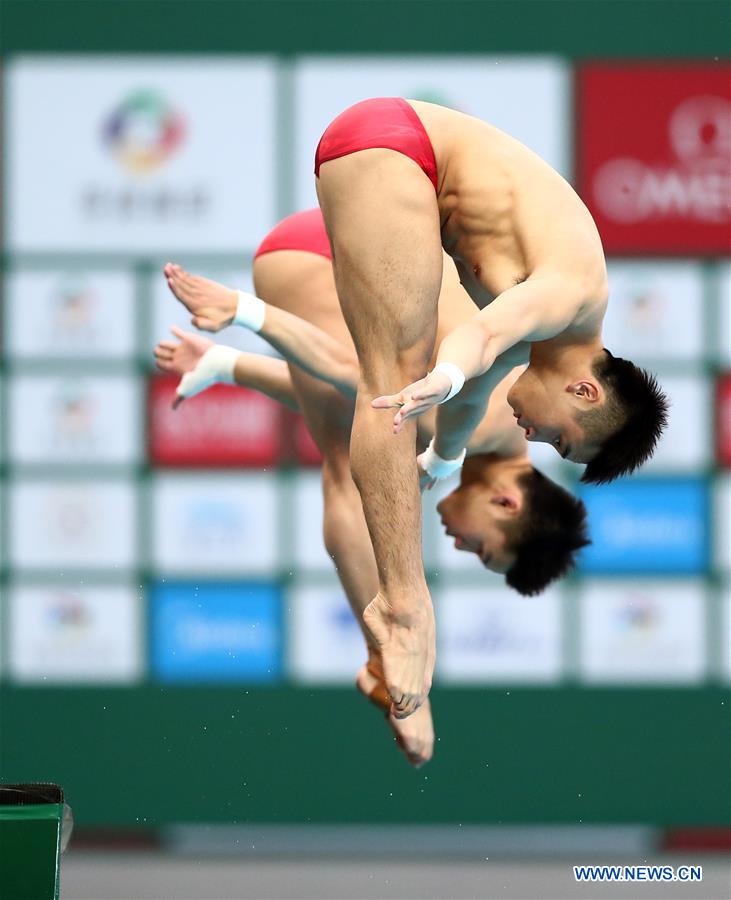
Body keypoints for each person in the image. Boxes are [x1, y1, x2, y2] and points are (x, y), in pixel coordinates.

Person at [155, 210, 589, 764]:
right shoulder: (474, 426)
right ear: (507, 502)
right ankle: (383, 656)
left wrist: (227, 365)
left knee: (360, 426)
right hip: (322, 254)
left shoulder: (495, 428)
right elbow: (346, 371)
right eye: (480, 547)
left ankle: (221, 362)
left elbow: (337, 389)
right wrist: (244, 312)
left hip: (370, 234)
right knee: (349, 465)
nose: (457, 545)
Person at [313, 98, 669, 717]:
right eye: (560, 440)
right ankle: (403, 605)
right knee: (394, 380)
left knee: (397, 380)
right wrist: (443, 376)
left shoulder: (544, 340)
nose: (534, 440)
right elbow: (475, 345)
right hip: (399, 150)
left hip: (389, 156)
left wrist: (445, 455)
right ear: (585, 391)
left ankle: (401, 601)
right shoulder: (569, 294)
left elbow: (479, 388)